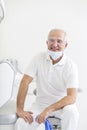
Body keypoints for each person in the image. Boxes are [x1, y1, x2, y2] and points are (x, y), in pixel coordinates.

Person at [15, 29, 79, 130]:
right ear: (47, 43)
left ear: (66, 45)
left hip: (61, 107)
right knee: (20, 123)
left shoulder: (70, 66)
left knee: (71, 112)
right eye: (51, 40)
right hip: (40, 106)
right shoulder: (38, 58)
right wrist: (20, 109)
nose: (55, 44)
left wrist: (48, 110)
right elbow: (25, 82)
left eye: (59, 41)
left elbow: (72, 97)